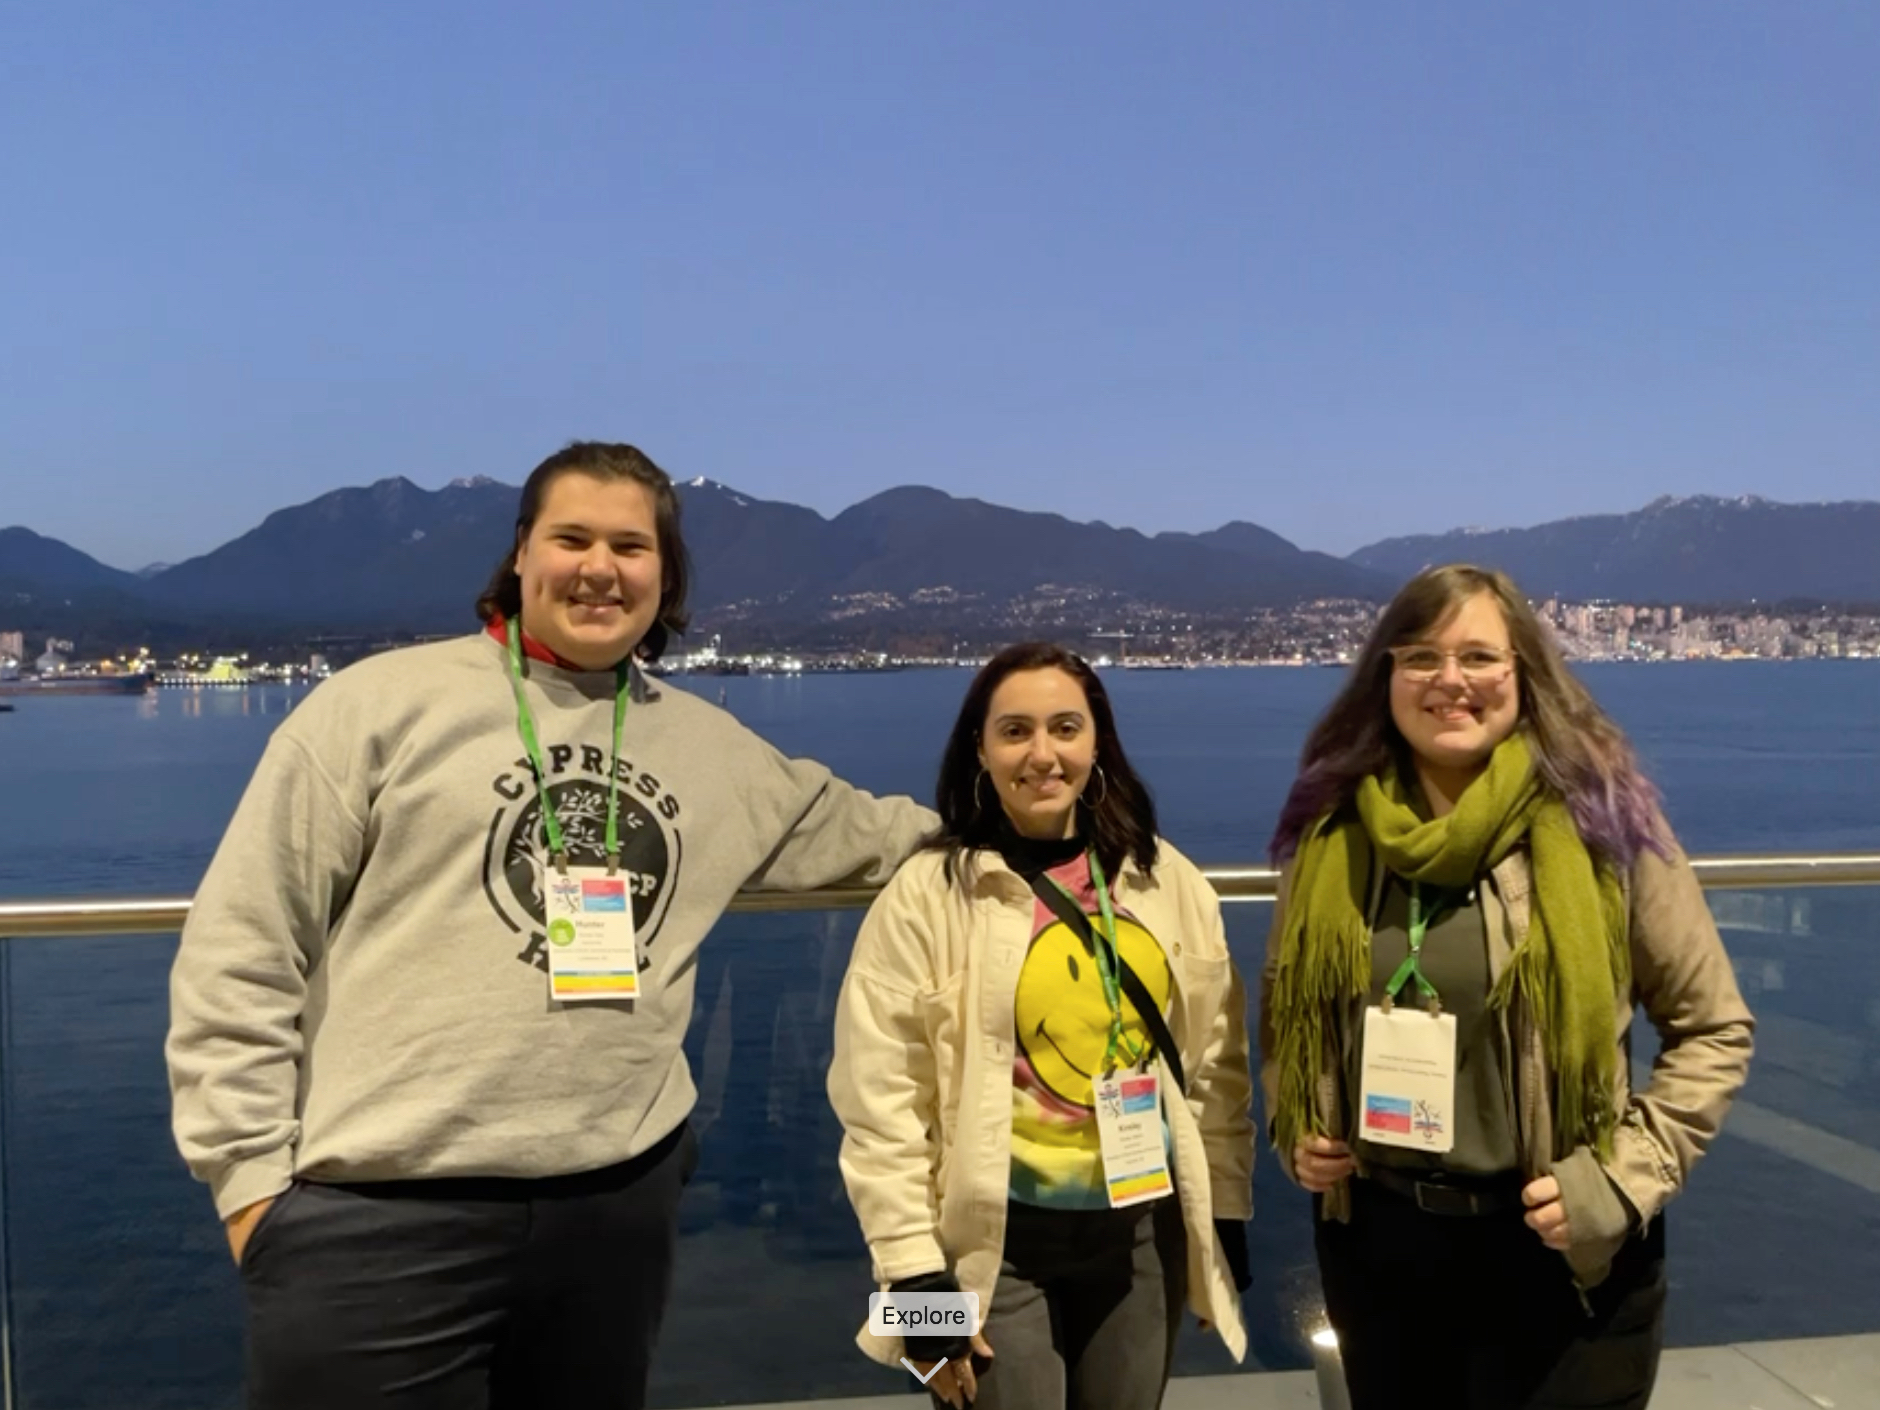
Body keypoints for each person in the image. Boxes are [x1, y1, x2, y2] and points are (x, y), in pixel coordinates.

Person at [166, 441, 936, 1410]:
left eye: (631, 545)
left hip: (616, 1207)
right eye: (571, 537)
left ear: (665, 574)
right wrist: (249, 1189)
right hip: (376, 1216)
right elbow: (241, 945)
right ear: (520, 554)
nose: (600, 567)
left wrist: (1054, 833)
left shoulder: (708, 748)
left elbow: (875, 834)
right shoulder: (376, 707)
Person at [1259, 564, 1754, 1410]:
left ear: (1524, 673)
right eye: (1421, 657)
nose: (1450, 681)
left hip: (1562, 1250)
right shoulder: (1333, 828)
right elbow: (1288, 1008)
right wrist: (1295, 1121)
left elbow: (1713, 1030)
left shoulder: (1605, 824)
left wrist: (1622, 1181)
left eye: (1479, 657)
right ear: (1386, 676)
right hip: (1381, 1249)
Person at [828, 642, 1254, 1410]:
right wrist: (915, 1291)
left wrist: (1222, 1214)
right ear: (980, 750)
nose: (1043, 754)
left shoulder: (1166, 881)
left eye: (1065, 727)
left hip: (1142, 1234)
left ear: (1099, 743)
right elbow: (878, 1103)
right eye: (1015, 731)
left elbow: (1216, 1066)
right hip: (988, 1244)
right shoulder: (928, 894)